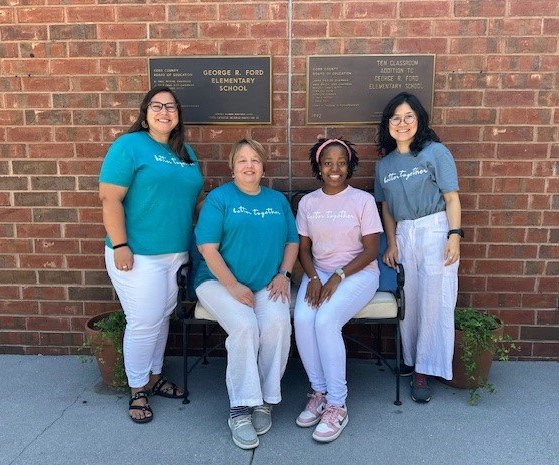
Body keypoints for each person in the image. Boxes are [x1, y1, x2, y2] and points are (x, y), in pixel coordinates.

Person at [99, 86, 204, 423]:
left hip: (175, 254)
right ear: (144, 113)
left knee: (161, 320)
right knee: (144, 322)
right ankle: (137, 390)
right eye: (157, 106)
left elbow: (186, 202)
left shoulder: (185, 151)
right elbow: (110, 199)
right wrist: (120, 245)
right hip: (138, 254)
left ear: (178, 115)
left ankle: (155, 378)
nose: (164, 112)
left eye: (171, 107)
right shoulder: (128, 146)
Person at [194, 139, 299, 450]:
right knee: (244, 326)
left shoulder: (277, 200)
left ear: (263, 167)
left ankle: (265, 400)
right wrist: (232, 285)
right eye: (242, 160)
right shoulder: (219, 199)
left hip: (267, 282)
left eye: (255, 160)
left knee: (278, 324)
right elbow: (207, 248)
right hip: (217, 282)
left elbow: (292, 242)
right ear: (232, 166)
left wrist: (284, 275)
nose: (249, 165)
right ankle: (240, 408)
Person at [374, 91, 462, 403]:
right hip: (404, 232)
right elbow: (384, 206)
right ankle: (411, 360)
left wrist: (454, 236)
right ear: (388, 124)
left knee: (434, 299)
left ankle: (426, 369)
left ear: (419, 120)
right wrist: (392, 240)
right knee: (408, 300)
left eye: (408, 116)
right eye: (395, 118)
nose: (402, 123)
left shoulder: (435, 152)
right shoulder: (384, 165)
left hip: (434, 228)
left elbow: (451, 197)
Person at [294, 138, 383, 443]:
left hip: (358, 273)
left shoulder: (362, 200)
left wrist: (339, 275)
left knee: (326, 320)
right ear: (318, 167)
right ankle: (318, 393)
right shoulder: (308, 203)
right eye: (328, 162)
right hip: (317, 273)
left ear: (349, 166)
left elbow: (371, 250)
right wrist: (315, 279)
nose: (335, 168)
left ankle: (337, 404)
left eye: (341, 162)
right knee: (303, 319)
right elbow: (304, 249)